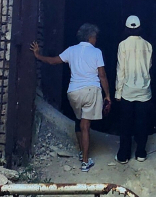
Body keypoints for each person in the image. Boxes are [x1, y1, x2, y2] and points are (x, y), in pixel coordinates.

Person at [31, 23, 111, 171]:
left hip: (73, 92)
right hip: (90, 90)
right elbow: (102, 75)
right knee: (85, 125)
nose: (96, 40)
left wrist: (37, 55)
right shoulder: (96, 52)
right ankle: (86, 162)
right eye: (95, 37)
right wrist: (107, 95)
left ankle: (82, 152)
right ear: (90, 37)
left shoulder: (71, 50)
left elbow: (53, 61)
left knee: (78, 121)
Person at [113, 14, 153, 163]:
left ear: (126, 28)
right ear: (140, 27)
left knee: (126, 124)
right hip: (144, 91)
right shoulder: (148, 45)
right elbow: (148, 67)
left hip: (127, 91)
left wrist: (118, 92)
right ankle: (141, 153)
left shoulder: (122, 45)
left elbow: (120, 70)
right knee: (142, 123)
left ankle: (123, 155)